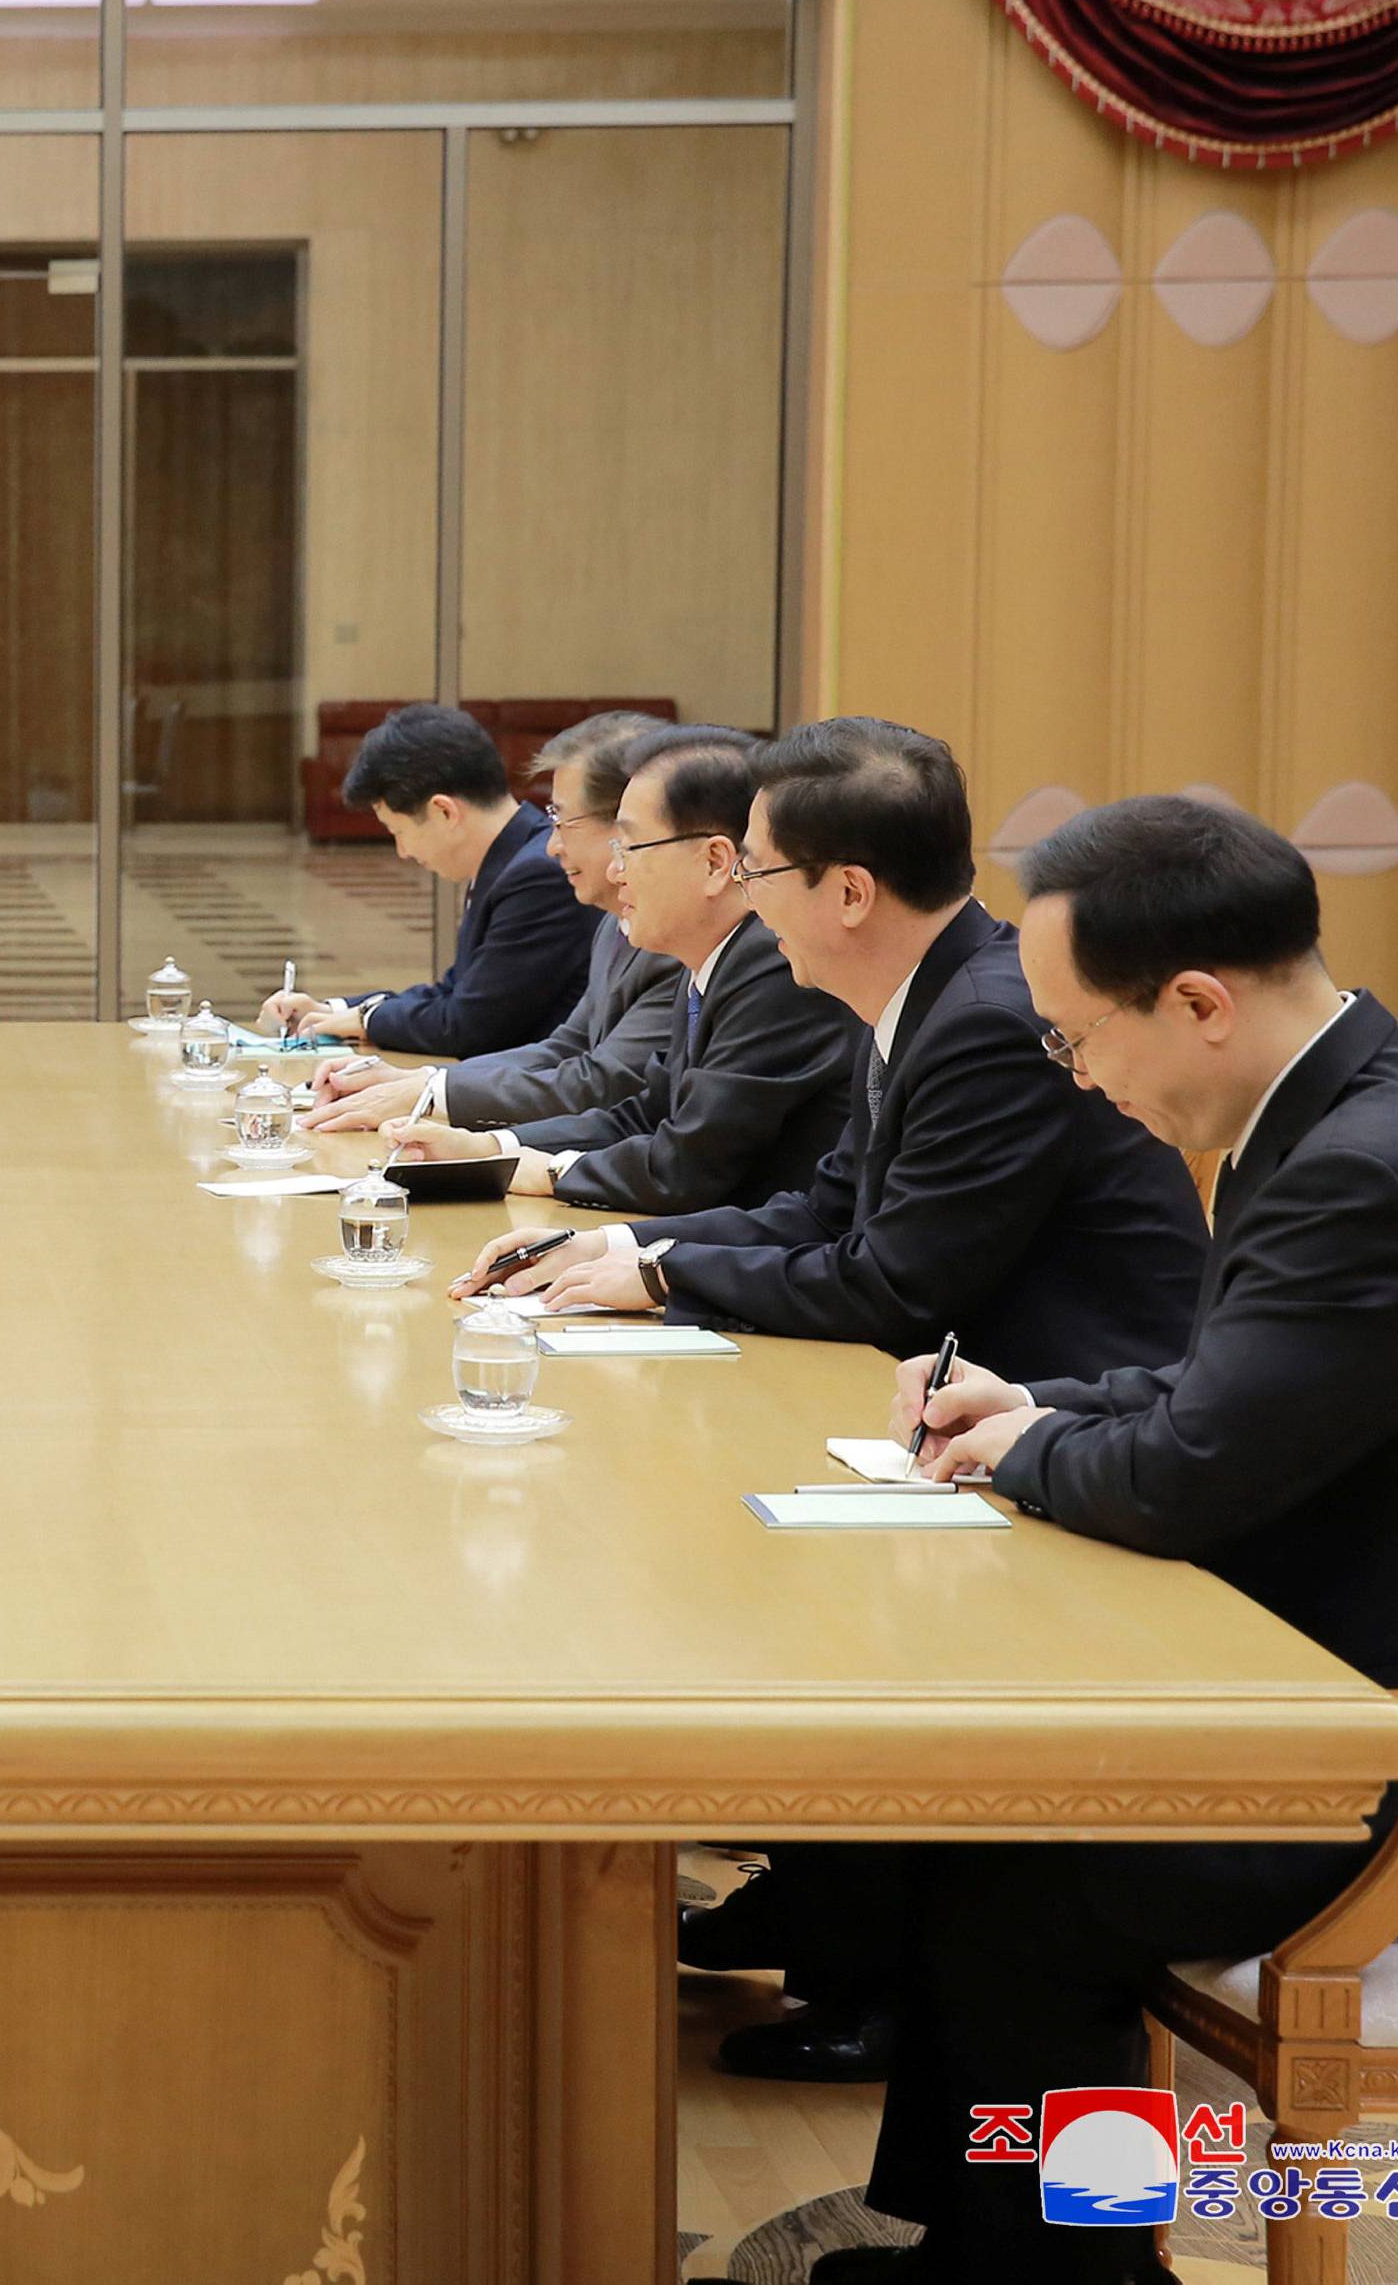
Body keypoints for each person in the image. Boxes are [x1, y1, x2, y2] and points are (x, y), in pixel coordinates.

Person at [450, 718, 1213, 2083]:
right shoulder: (925, 991)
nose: (744, 897)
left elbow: (893, 1277)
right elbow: (829, 1204)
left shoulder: (981, 1017)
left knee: (755, 1540)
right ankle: (833, 1908)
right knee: (710, 1497)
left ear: (844, 889)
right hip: (949, 1387)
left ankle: (876, 1963)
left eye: (763, 870)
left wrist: (661, 1267)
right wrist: (639, 1255)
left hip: (1068, 1416)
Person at [809, 796, 1398, 2284]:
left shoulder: (1365, 1163)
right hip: (1320, 1695)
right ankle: (995, 2243)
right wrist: (1039, 1396)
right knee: (977, 1843)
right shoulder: (1333, 1109)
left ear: (1196, 1002)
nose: (1076, 1072)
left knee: (1027, 1883)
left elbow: (1187, 1471)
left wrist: (1031, 1450)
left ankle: (1069, 2266)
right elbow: (1233, 1383)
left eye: (1076, 1036)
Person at [382, 725, 855, 1212]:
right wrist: (491, 1150)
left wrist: (538, 1170)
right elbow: (643, 1116)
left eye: (627, 847)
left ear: (715, 862)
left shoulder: (771, 966)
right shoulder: (711, 957)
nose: (615, 871)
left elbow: (681, 1169)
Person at [304, 710, 681, 1135]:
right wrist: (421, 1082)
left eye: (564, 822)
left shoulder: (543, 877)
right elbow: (567, 1047)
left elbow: (599, 1081)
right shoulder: (616, 922)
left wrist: (441, 1106)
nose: (554, 847)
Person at [256, 701, 597, 1057]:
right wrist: (334, 1012)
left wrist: (364, 1019)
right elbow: (453, 991)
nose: (402, 851)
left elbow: (467, 1024)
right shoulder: (511, 858)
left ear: (444, 811)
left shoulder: (538, 874)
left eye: (398, 831)